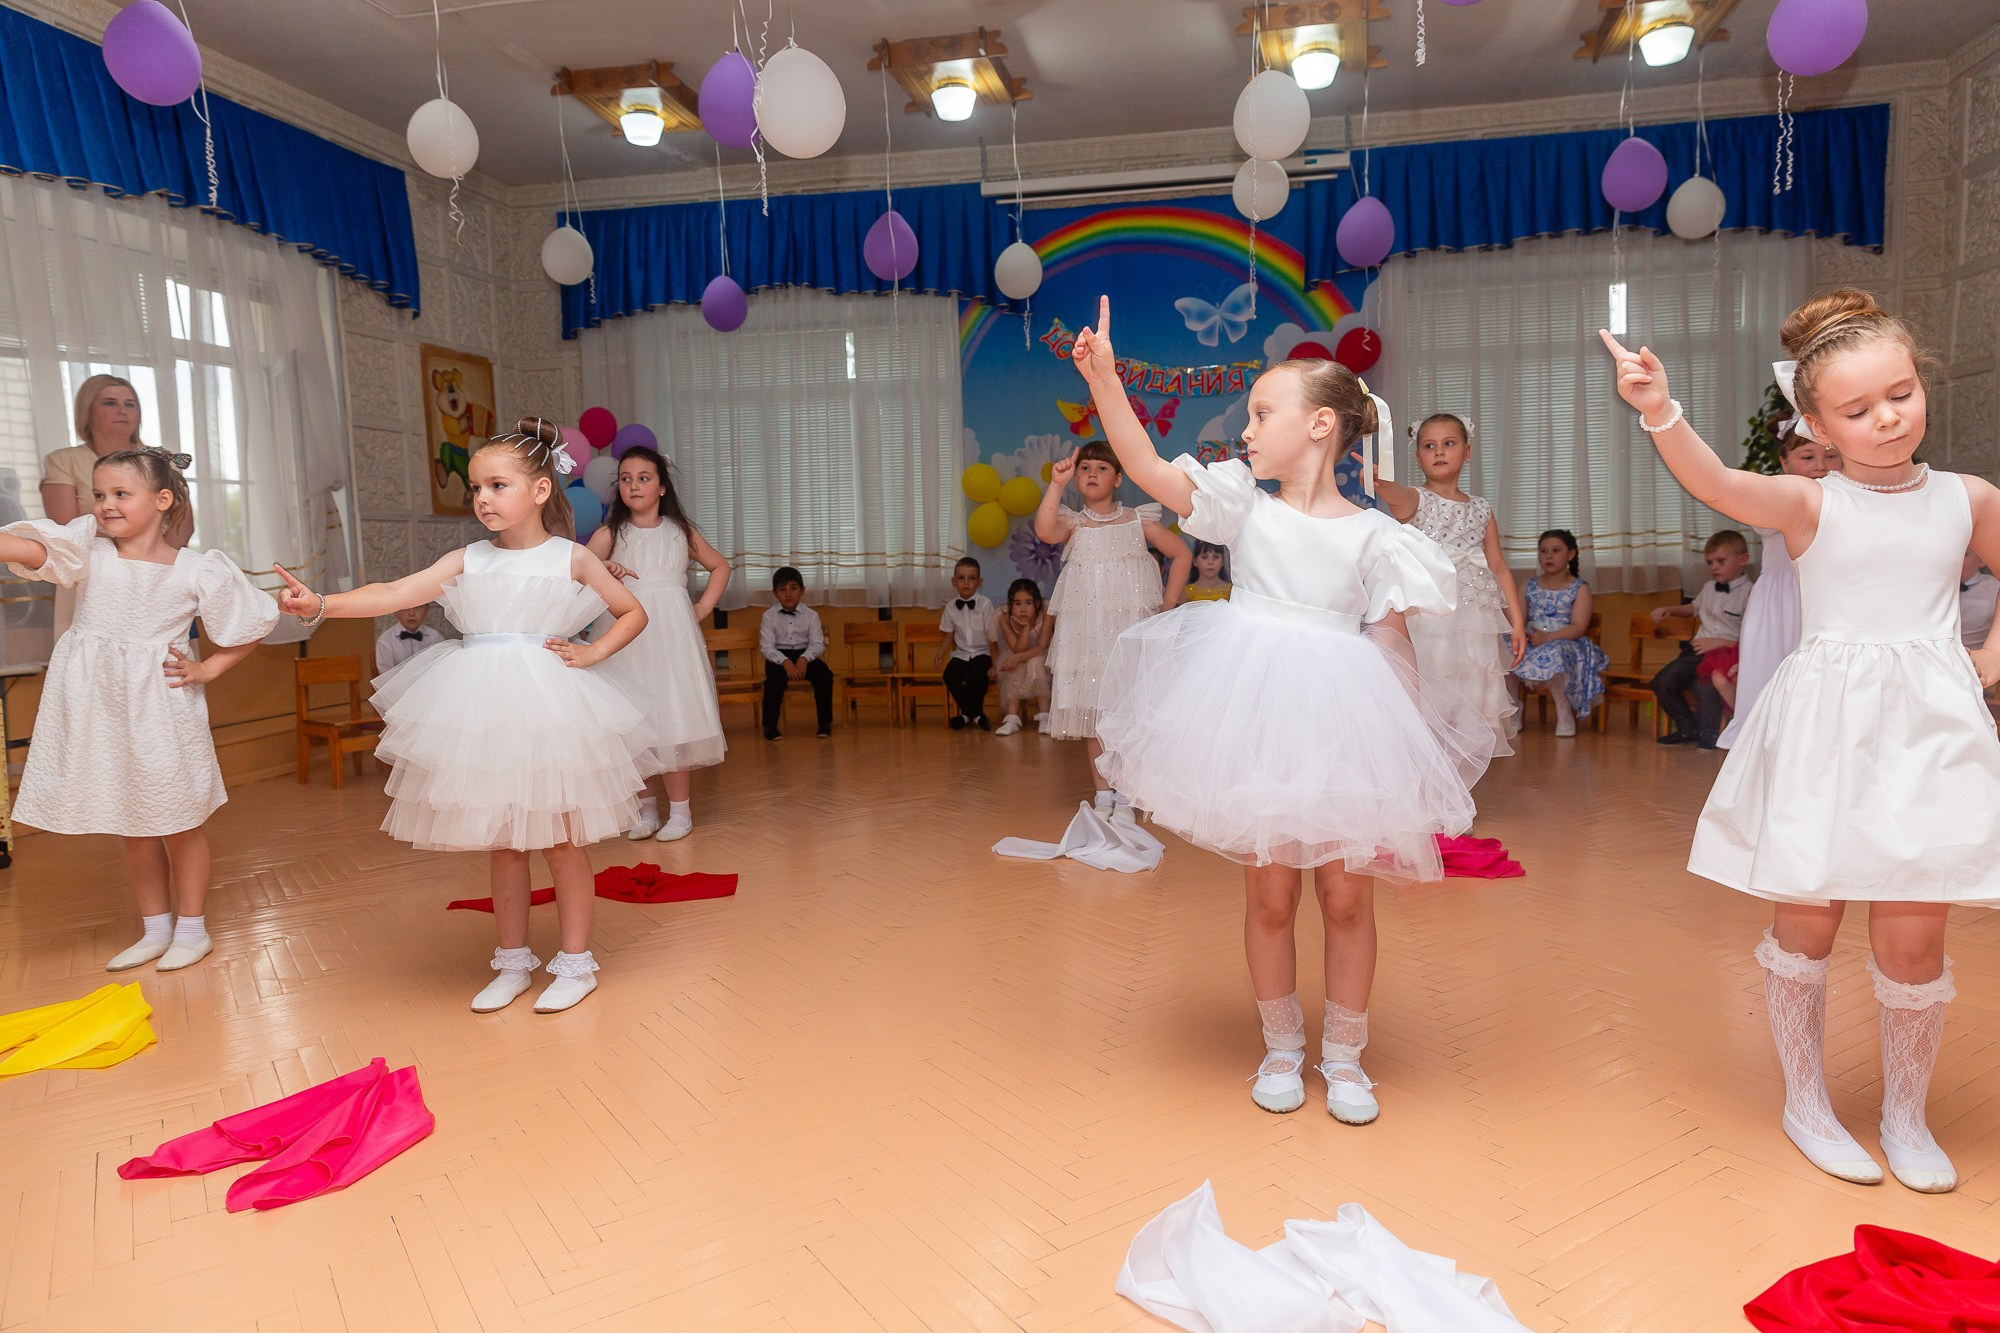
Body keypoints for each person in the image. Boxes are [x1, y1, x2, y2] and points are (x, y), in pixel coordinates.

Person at [1602, 290, 2000, 1193]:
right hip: (1829, 731)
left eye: (1900, 394)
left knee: (1913, 938)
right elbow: (1717, 484)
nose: (1886, 418)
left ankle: (1906, 1114)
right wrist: (1660, 409)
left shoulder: (1967, 498)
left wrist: (1988, 658)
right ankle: (1807, 1102)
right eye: (1857, 410)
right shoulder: (1810, 502)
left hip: (1930, 736)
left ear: (1921, 384)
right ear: (1816, 425)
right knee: (1809, 923)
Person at [1072, 296, 1495, 1125]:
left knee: (1347, 898)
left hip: (1342, 720)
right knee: (1270, 896)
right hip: (1257, 712)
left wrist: (1403, 758)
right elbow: (1149, 467)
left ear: (1321, 426)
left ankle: (1345, 1055)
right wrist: (1105, 382)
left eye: (1264, 413)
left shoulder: (1377, 537)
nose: (1248, 429)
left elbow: (1392, 643)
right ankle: (1279, 1047)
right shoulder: (1242, 503)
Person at [274, 418, 651, 1015]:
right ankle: (512, 962)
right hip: (484, 706)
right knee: (505, 843)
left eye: (498, 485)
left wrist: (593, 651)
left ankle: (576, 964)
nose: (483, 498)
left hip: (551, 706)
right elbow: (392, 593)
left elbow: (632, 612)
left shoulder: (572, 558)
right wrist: (322, 604)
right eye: (476, 487)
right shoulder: (468, 559)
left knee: (561, 840)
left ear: (541, 491)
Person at [0, 447, 277, 973]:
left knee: (179, 820)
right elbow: (26, 550)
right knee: (135, 821)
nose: (105, 504)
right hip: (103, 706)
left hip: (161, 708)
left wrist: (209, 668)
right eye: (99, 494)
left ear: (162, 499)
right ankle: (155, 928)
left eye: (120, 494)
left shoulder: (196, 569)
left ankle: (192, 930)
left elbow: (252, 622)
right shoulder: (89, 553)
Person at [1035, 440, 1190, 817]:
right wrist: (1055, 485)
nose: (1092, 473)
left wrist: (1168, 604)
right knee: (1097, 719)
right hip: (1088, 639)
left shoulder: (1138, 520)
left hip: (1128, 636)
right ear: (1076, 478)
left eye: (1102, 468)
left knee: (1129, 717)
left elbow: (1181, 553)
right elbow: (1045, 531)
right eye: (1085, 468)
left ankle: (1128, 795)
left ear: (1118, 479)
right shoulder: (1074, 524)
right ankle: (1104, 796)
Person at [587, 445, 729, 842]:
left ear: (662, 487)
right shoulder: (609, 534)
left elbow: (720, 566)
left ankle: (680, 812)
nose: (634, 486)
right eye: (626, 479)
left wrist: (702, 606)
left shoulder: (680, 532)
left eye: (643, 478)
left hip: (671, 637)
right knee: (637, 722)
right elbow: (578, 575)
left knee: (673, 717)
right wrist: (605, 570)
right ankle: (646, 810)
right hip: (625, 636)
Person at [1367, 413, 1527, 757]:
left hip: (1477, 621)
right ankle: (1425, 769)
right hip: (1433, 620)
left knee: (1472, 694)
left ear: (1467, 452)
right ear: (1418, 457)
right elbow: (1398, 496)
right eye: (1429, 446)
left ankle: (1458, 775)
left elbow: (1499, 568)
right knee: (1432, 689)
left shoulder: (1482, 509)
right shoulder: (1417, 499)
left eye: (1448, 443)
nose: (1438, 451)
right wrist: (1383, 483)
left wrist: (1516, 623)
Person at [41, 376, 190, 639]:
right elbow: (67, 528)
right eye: (110, 403)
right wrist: (122, 563)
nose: (122, 410)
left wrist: (156, 568)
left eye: (130, 404)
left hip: (159, 578)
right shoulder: (64, 460)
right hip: (91, 579)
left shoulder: (161, 461)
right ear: (87, 411)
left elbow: (182, 524)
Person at [1718, 430, 1839, 748]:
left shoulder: (1849, 497)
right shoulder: (1776, 494)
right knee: (1771, 670)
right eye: (1808, 457)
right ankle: (1765, 746)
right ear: (1784, 462)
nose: (1820, 466)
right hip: (1780, 603)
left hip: (1828, 600)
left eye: (1830, 456)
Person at [1649, 532, 1753, 750]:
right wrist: (1670, 609)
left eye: (1721, 561)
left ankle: (1709, 738)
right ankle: (1688, 727)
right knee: (1663, 682)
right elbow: (1693, 608)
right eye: (1710, 562)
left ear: (1742, 559)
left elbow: (1752, 633)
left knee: (1704, 688)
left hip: (1726, 654)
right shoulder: (1708, 588)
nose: (1714, 567)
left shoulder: (1750, 593)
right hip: (1697, 652)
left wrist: (1721, 642)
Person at [1509, 530, 1609, 737]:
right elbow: (1518, 620)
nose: (1548, 556)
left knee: (1556, 652)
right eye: (1543, 551)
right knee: (1505, 649)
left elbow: (1579, 627)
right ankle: (1513, 709)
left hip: (1566, 641)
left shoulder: (1579, 588)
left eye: (1556, 551)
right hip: (1533, 639)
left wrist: (1547, 637)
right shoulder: (1528, 585)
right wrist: (1524, 634)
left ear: (1570, 554)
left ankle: (1564, 714)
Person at [759, 567, 832, 740]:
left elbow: (817, 644)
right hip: (778, 656)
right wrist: (785, 662)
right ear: (775, 593)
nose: (788, 594)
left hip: (805, 654)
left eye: (793, 588)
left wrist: (804, 658)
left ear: (802, 590)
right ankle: (770, 726)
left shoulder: (811, 615)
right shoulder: (768, 616)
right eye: (782, 589)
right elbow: (767, 647)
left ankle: (824, 723)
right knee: (773, 682)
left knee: (825, 675)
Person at [939, 557, 996, 730]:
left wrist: (995, 663)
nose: (966, 583)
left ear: (979, 582)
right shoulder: (950, 607)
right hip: (962, 653)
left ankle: (966, 715)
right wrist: (941, 652)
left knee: (977, 676)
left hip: (983, 652)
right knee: (950, 674)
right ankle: (976, 715)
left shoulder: (985, 604)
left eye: (971, 578)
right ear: (953, 581)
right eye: (961, 578)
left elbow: (991, 636)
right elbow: (949, 634)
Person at [993, 578, 1052, 736]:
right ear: (1011, 605)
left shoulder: (1046, 615)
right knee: (1015, 669)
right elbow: (1017, 649)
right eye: (1018, 604)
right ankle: (1012, 718)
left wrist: (1017, 658)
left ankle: (1044, 716)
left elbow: (1042, 645)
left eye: (1028, 603)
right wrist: (1025, 628)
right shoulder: (1004, 618)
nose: (1023, 609)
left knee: (1035, 663)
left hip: (1041, 656)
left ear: (1037, 603)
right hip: (1017, 653)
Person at [375, 604, 442, 673]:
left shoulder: (436, 638)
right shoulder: (385, 641)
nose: (411, 613)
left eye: (417, 607)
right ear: (395, 611)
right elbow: (386, 675)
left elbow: (440, 669)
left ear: (427, 609)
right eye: (405, 607)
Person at [1960, 553, 1999, 654]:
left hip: (1979, 655)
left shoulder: (1994, 588)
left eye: (1965, 555)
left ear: (1982, 560)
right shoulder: (1931, 589)